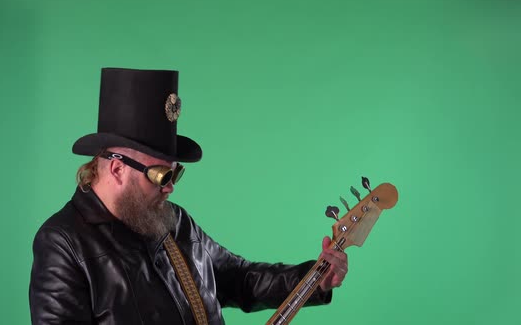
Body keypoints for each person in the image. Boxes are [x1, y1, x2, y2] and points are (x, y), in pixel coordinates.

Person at [29, 67, 348, 324]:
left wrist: (314, 277)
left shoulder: (175, 223)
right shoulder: (63, 243)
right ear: (117, 169)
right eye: (160, 175)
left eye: (175, 173)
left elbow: (239, 279)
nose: (170, 187)